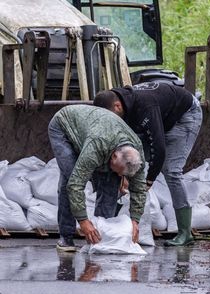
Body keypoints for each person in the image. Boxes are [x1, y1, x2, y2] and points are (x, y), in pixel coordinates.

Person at [94, 82, 202, 246]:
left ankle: (185, 233)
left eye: (111, 116)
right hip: (163, 115)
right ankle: (112, 221)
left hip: (184, 117)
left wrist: (148, 182)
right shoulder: (124, 104)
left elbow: (158, 150)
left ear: (117, 106)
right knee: (126, 158)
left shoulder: (145, 107)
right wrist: (124, 174)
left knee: (171, 171)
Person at [48, 105, 147, 252]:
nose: (121, 176)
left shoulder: (136, 155)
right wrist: (83, 221)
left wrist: (135, 220)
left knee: (111, 182)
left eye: (123, 174)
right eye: (120, 171)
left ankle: (101, 237)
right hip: (64, 127)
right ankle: (66, 236)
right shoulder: (97, 146)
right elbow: (75, 185)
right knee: (70, 178)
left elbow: (139, 189)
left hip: (96, 132)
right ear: (114, 156)